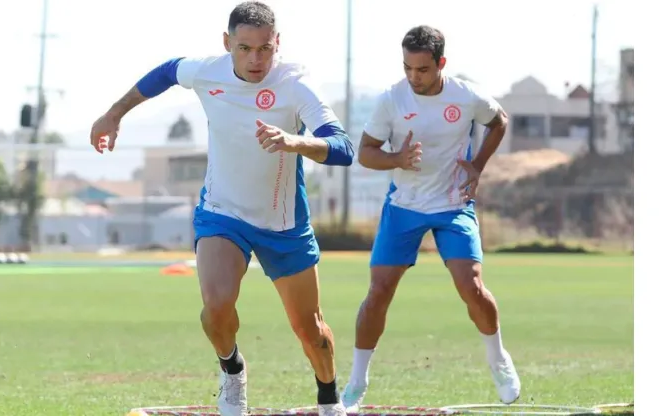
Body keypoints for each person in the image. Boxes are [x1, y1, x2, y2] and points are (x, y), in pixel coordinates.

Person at [89, 3, 354, 416]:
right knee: (216, 305)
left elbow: (343, 149)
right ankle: (232, 371)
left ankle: (328, 398)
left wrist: (294, 141)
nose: (255, 59)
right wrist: (113, 113)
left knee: (311, 330)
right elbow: (164, 73)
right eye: (244, 48)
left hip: (283, 224)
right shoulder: (206, 71)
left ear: (277, 43)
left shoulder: (295, 84)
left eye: (264, 49)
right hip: (221, 214)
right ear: (227, 43)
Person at [339, 25, 521, 410]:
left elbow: (499, 120)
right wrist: (397, 160)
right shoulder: (391, 99)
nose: (413, 77)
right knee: (378, 294)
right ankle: (357, 380)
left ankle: (498, 360)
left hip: (453, 204)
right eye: (407, 67)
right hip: (404, 206)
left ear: (441, 63)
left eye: (421, 69)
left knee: (471, 286)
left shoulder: (466, 95)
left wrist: (477, 166)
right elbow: (366, 152)